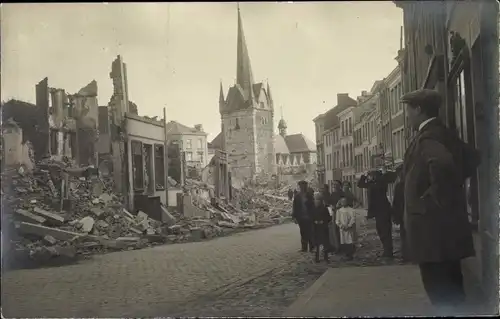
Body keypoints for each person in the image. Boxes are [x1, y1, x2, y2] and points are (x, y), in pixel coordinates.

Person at [400, 89, 480, 312]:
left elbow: (443, 166)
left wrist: (429, 204)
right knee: (452, 291)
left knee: (440, 293)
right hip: (445, 233)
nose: (407, 115)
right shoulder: (443, 133)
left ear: (418, 109)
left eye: (408, 109)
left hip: (433, 234)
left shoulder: (429, 137)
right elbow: (472, 158)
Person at [357, 169, 396, 258]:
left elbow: (370, 185)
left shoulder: (380, 183)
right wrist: (364, 176)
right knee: (381, 231)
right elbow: (360, 184)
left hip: (383, 210)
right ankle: (387, 250)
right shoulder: (373, 184)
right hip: (378, 211)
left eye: (371, 175)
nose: (370, 177)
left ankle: (388, 252)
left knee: (385, 231)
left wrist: (373, 177)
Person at [292, 180, 314, 252]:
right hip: (301, 217)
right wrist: (294, 217)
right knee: (303, 232)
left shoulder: (309, 195)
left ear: (306, 186)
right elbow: (294, 207)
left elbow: (313, 205)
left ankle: (312, 247)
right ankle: (304, 248)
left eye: (304, 186)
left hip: (310, 217)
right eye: (301, 186)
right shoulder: (297, 196)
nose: (303, 187)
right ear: (300, 187)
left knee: (311, 232)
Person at [391, 164, 408, 262]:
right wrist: (395, 215)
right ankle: (405, 255)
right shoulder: (398, 186)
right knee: (404, 235)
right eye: (399, 173)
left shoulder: (411, 183)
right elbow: (396, 202)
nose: (400, 175)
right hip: (402, 214)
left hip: (412, 213)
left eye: (402, 172)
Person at [311, 192, 331, 263]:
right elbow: (311, 217)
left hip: (323, 228)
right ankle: (317, 258)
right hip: (316, 228)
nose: (317, 201)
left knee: (325, 243)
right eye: (315, 200)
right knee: (316, 244)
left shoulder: (324, 208)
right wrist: (314, 221)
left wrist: (323, 221)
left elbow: (328, 218)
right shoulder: (313, 209)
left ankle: (326, 257)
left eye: (318, 200)